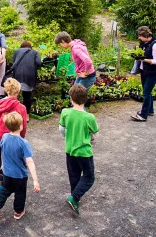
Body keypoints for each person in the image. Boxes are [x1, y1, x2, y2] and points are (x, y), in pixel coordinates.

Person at [0, 112, 40, 222]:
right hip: (20, 175)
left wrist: (2, 165)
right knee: (20, 193)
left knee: (5, 190)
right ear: (21, 126)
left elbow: (3, 151)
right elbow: (29, 161)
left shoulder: (4, 137)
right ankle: (18, 211)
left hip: (7, 172)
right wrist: (35, 180)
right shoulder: (23, 143)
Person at [59, 84, 99, 215]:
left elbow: (62, 130)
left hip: (69, 149)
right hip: (84, 152)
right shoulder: (89, 117)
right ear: (85, 99)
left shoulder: (65, 112)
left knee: (74, 175)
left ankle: (74, 196)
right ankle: (74, 197)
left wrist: (69, 136)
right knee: (89, 177)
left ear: (71, 98)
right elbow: (95, 132)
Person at [0, 78, 28, 193]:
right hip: (13, 135)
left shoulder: (0, 104)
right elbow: (24, 124)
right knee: (8, 159)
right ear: (18, 92)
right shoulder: (21, 108)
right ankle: (2, 183)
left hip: (0, 134)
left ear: (6, 90)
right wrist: (22, 136)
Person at [131, 26, 156, 122]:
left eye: (140, 36)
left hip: (153, 72)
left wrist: (143, 59)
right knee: (147, 92)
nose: (139, 38)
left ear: (145, 35)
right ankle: (150, 110)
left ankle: (143, 115)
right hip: (144, 70)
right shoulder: (144, 43)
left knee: (146, 92)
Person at [12, 41, 42, 114]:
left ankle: (14, 112)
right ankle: (26, 115)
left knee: (14, 94)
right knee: (27, 95)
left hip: (17, 74)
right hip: (29, 75)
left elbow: (14, 63)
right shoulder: (35, 52)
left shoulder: (17, 51)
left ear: (21, 46)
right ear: (30, 47)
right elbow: (39, 63)